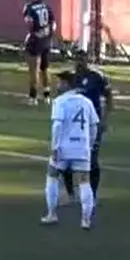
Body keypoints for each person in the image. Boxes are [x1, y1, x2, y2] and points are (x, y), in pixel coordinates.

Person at [42, 71, 99, 230]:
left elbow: (57, 125)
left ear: (67, 84)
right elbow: (94, 126)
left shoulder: (60, 101)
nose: (57, 85)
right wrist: (90, 145)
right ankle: (86, 220)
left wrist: (55, 147)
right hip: (82, 148)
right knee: (84, 182)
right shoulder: (86, 102)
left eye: (60, 82)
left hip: (63, 147)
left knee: (52, 176)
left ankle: (52, 214)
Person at [62, 50, 111, 199]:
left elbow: (108, 97)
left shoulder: (97, 77)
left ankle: (92, 195)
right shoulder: (71, 78)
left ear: (87, 61)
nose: (79, 63)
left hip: (92, 124)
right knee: (67, 159)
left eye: (82, 60)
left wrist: (104, 120)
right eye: (77, 60)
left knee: (92, 160)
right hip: (74, 126)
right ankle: (71, 193)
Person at [22, 0, 55, 106]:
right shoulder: (46, 6)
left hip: (36, 40)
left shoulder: (29, 8)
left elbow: (30, 23)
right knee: (45, 68)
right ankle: (47, 96)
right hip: (46, 40)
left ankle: (33, 97)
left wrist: (32, 35)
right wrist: (47, 35)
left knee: (33, 69)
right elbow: (53, 24)